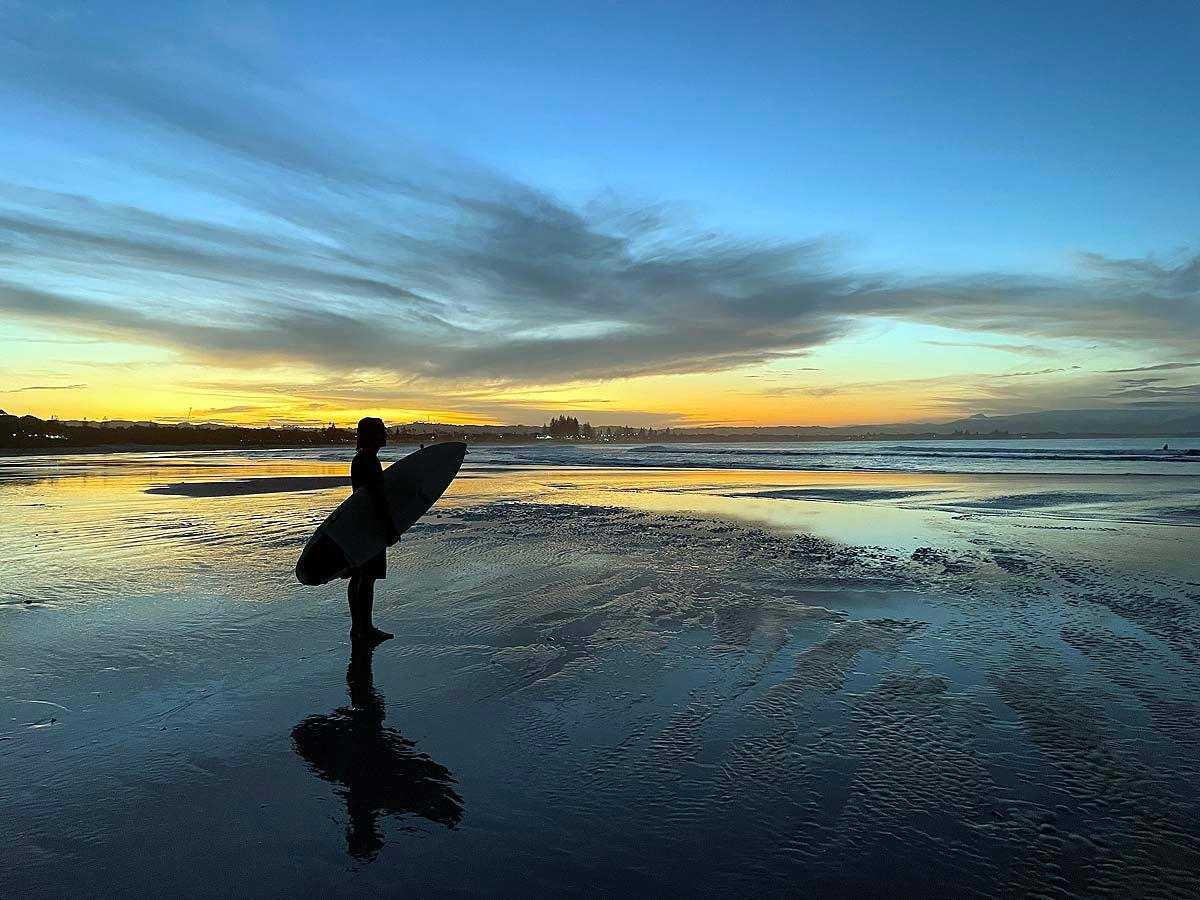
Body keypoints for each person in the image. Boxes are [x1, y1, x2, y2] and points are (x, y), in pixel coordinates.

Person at [348, 417, 397, 643]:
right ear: (372, 436)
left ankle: (358, 627)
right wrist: (388, 527)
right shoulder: (369, 461)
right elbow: (377, 498)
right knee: (366, 578)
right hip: (371, 525)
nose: (386, 436)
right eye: (382, 432)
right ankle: (365, 629)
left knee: (359, 576)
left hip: (360, 525)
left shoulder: (361, 459)